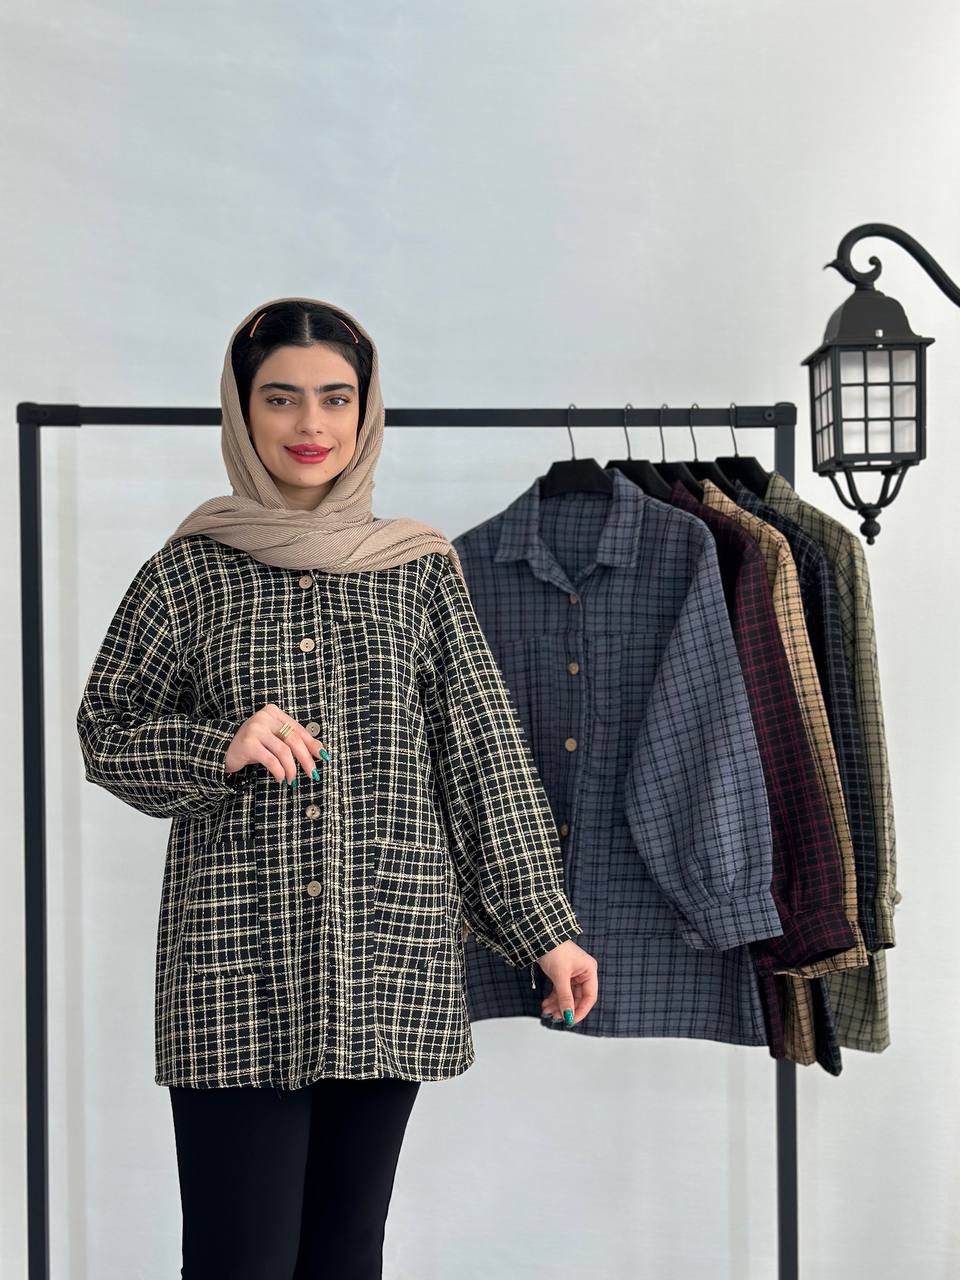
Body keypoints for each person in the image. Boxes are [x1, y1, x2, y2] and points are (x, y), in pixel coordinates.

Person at [76, 295, 599, 1278]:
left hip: (387, 955)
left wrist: (546, 927)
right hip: (234, 965)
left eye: (335, 398)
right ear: (241, 409)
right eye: (280, 398)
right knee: (239, 1258)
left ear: (366, 410)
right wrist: (218, 745)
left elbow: (481, 755)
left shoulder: (419, 573)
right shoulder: (186, 574)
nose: (309, 424)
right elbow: (107, 731)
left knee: (346, 1254)